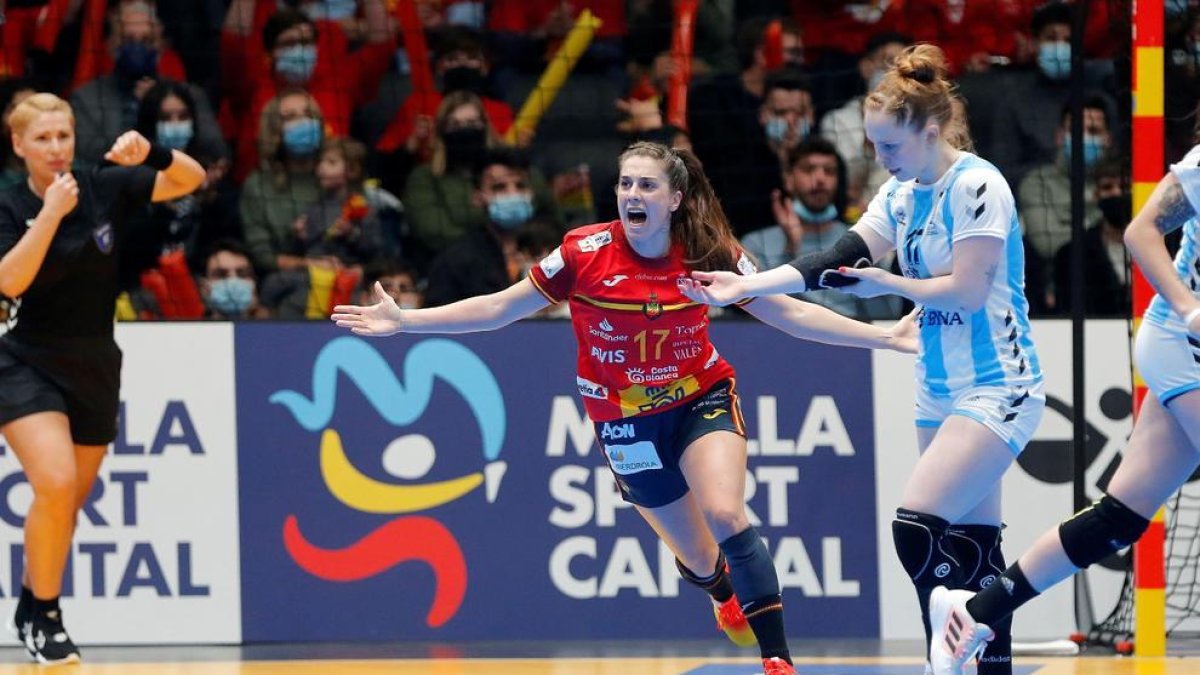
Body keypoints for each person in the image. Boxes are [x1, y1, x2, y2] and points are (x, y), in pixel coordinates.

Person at [333, 140, 917, 675]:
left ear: (674, 198)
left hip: (699, 398)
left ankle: (779, 663)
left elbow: (787, 312)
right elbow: (498, 308)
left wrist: (884, 337)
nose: (632, 195)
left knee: (726, 515)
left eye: (646, 185)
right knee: (697, 557)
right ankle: (720, 592)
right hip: (623, 423)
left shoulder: (708, 252)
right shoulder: (581, 253)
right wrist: (405, 321)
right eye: (625, 184)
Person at [677, 45, 1044, 675]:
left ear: (930, 132)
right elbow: (834, 259)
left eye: (891, 147)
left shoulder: (980, 185)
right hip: (936, 384)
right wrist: (748, 288)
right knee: (975, 543)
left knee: (914, 524)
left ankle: (954, 626)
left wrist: (888, 286)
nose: (881, 160)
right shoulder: (900, 194)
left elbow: (967, 288)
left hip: (1000, 384)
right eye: (873, 146)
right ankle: (983, 654)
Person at [926, 117, 1200, 675]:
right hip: (1182, 345)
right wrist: (1190, 309)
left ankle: (975, 614)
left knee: (1118, 520)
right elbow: (1139, 233)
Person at [0, 93, 204, 663]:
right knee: (56, 482)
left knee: (68, 501)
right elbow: (9, 282)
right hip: (22, 358)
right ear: (19, 146)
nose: (56, 148)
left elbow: (192, 179)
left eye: (63, 136)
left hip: (93, 361)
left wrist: (153, 152)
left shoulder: (104, 184)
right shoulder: (10, 206)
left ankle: (29, 600)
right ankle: (46, 617)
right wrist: (49, 217)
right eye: (42, 139)